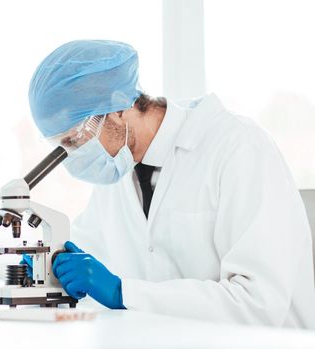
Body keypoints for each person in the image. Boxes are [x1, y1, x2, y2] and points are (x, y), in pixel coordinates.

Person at [24, 40, 315, 328]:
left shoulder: (238, 146)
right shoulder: (116, 170)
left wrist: (121, 292)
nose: (74, 155)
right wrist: (49, 263)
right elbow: (90, 252)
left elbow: (258, 304)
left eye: (75, 139)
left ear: (117, 108)